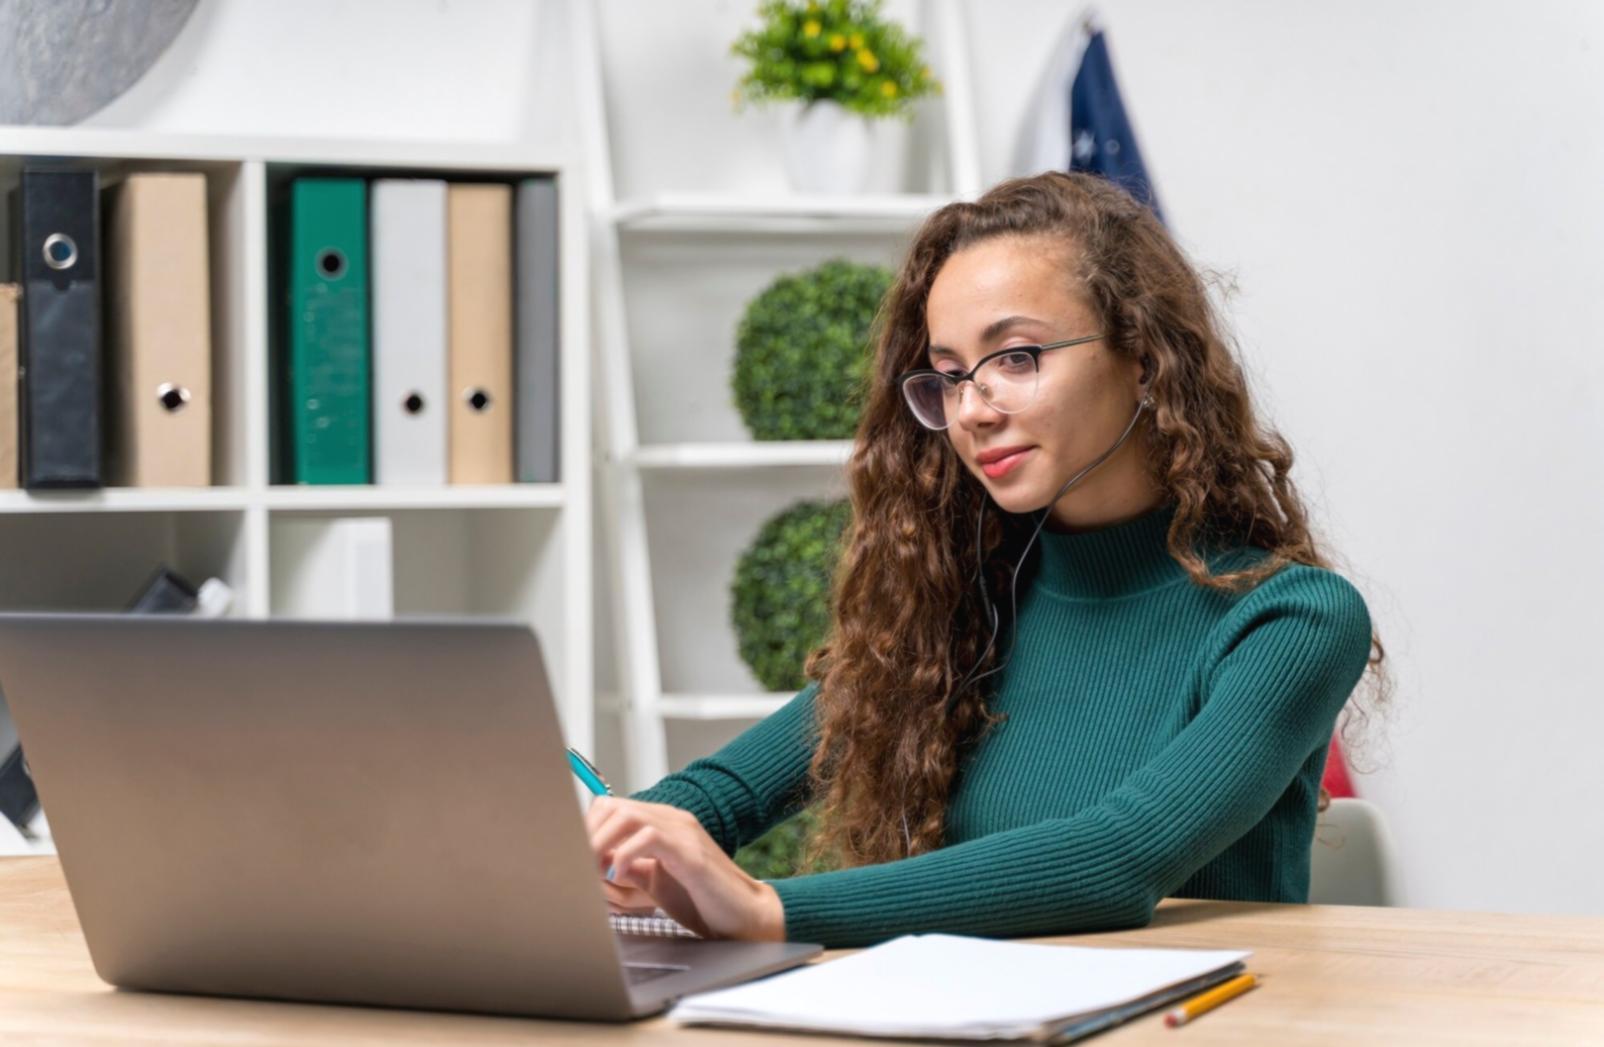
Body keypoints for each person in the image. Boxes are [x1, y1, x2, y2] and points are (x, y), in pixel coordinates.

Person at [585, 170, 1389, 949]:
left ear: (1143, 358)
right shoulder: (960, 610)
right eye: (947, 376)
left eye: (1016, 357)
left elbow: (1116, 858)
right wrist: (600, 842)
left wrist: (767, 907)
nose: (972, 409)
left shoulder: (1293, 620)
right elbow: (718, 798)